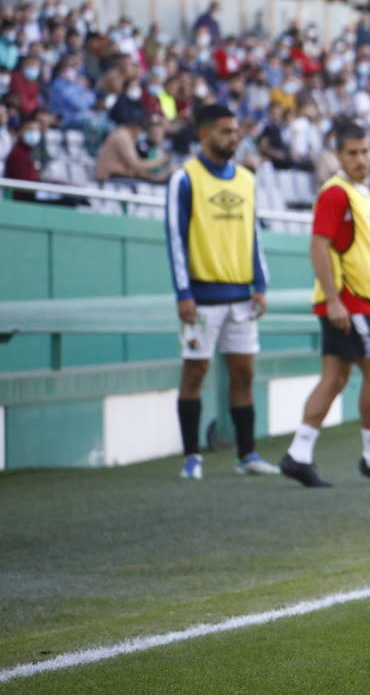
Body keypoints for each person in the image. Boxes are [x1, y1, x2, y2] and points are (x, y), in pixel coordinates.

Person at [280, 122, 370, 487]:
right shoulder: (335, 194)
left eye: (364, 152)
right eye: (352, 153)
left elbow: (366, 251)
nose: (360, 159)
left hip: (360, 301)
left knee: (335, 378)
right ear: (338, 156)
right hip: (348, 303)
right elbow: (318, 245)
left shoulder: (361, 194)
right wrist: (335, 300)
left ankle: (299, 455)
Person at [165, 105, 276, 480]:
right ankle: (191, 457)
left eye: (236, 131)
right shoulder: (184, 179)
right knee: (195, 371)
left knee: (244, 373)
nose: (234, 138)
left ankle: (247, 455)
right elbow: (176, 240)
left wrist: (260, 284)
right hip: (201, 298)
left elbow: (254, 235)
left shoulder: (246, 179)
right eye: (226, 132)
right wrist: (183, 292)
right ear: (204, 134)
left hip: (241, 297)